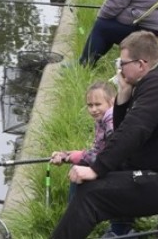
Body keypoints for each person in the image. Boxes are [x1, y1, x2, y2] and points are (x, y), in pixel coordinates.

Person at [51, 31, 158, 239]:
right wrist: (123, 95)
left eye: (122, 63)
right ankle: (121, 227)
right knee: (108, 166)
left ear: (141, 64)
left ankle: (116, 228)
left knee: (91, 194)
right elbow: (124, 130)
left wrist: (97, 169)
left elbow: (135, 130)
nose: (119, 69)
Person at [50, 82, 133, 237]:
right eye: (90, 105)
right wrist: (67, 155)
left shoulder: (111, 121)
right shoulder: (102, 120)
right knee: (78, 171)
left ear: (112, 101)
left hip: (124, 170)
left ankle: (121, 229)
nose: (93, 109)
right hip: (112, 166)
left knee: (82, 173)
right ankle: (75, 216)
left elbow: (111, 156)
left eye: (98, 104)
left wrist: (77, 157)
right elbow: (97, 152)